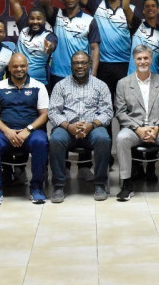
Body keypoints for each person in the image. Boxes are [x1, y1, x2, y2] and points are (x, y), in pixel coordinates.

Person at [115, 45, 159, 201]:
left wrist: (157, 127)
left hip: (158, 129)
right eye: (139, 59)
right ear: (134, 60)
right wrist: (138, 128)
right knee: (121, 138)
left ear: (151, 59)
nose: (142, 62)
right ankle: (127, 184)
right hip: (134, 129)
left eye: (146, 58)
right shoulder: (123, 83)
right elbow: (120, 112)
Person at [48, 51, 114, 203]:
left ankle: (99, 183)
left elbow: (108, 112)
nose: (80, 66)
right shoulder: (61, 85)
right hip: (67, 129)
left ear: (89, 65)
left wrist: (92, 125)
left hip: (93, 129)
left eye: (83, 63)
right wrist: (68, 126)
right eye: (76, 63)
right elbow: (53, 112)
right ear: (71, 65)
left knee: (103, 138)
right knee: (56, 139)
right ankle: (59, 185)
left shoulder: (100, 85)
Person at [0, 53, 49, 206]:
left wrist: (28, 129)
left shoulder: (38, 86)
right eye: (15, 66)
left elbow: (44, 115)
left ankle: (37, 188)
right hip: (4, 132)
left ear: (27, 67)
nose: (19, 69)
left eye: (22, 66)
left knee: (41, 142)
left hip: (31, 132)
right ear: (9, 68)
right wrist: (7, 131)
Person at [80, 0, 133, 107]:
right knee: (105, 106)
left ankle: (126, 129)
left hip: (125, 64)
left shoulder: (130, 10)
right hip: (103, 65)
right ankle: (105, 130)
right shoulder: (97, 5)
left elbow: (126, 7)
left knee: (126, 106)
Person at [41, 0, 101, 85]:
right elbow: (45, 3)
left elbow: (95, 49)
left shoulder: (89, 20)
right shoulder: (56, 15)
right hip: (58, 74)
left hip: (81, 74)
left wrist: (93, 74)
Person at [8, 0, 58, 87]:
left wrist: (49, 47)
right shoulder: (24, 27)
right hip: (17, 82)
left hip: (40, 84)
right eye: (32, 18)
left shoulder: (49, 35)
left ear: (44, 20)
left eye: (39, 19)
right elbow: (13, 1)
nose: (35, 22)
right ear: (28, 19)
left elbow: (52, 45)